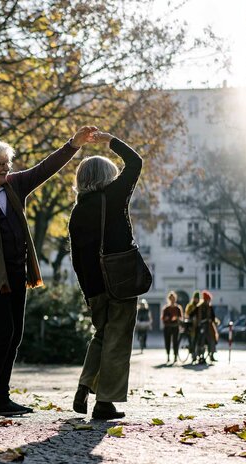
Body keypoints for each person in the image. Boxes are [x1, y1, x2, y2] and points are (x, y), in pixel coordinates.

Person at [0, 126, 98, 417]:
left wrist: (73, 145)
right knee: (1, 332)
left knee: (13, 336)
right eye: (2, 163)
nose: (7, 167)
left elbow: (46, 168)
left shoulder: (15, 186)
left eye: (7, 163)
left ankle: (1, 398)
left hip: (16, 273)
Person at [68, 130, 143, 420]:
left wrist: (88, 293)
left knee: (102, 334)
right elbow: (134, 163)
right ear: (107, 177)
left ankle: (85, 384)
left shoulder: (78, 212)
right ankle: (105, 402)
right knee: (118, 338)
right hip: (121, 281)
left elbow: (76, 259)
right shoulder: (114, 196)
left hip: (94, 288)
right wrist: (111, 140)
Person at [195, 290, 218, 364]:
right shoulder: (199, 307)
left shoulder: (209, 307)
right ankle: (200, 356)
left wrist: (214, 321)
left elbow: (213, 316)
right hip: (201, 326)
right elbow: (195, 315)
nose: (208, 301)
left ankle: (211, 355)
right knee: (201, 341)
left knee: (212, 340)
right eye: (208, 299)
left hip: (209, 327)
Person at [161, 291, 183, 364]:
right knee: (167, 342)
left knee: (175, 342)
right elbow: (163, 318)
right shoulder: (166, 308)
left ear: (175, 299)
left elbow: (181, 318)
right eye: (171, 298)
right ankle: (168, 356)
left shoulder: (178, 308)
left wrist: (177, 318)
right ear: (169, 299)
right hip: (167, 327)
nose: (172, 300)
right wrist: (166, 318)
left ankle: (175, 357)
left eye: (173, 298)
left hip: (175, 327)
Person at [184, 290, 201, 363]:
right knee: (192, 341)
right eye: (195, 298)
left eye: (197, 298)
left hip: (198, 326)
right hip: (191, 327)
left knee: (198, 340)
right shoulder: (190, 306)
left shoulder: (199, 306)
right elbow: (187, 315)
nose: (196, 300)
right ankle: (193, 355)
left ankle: (198, 354)